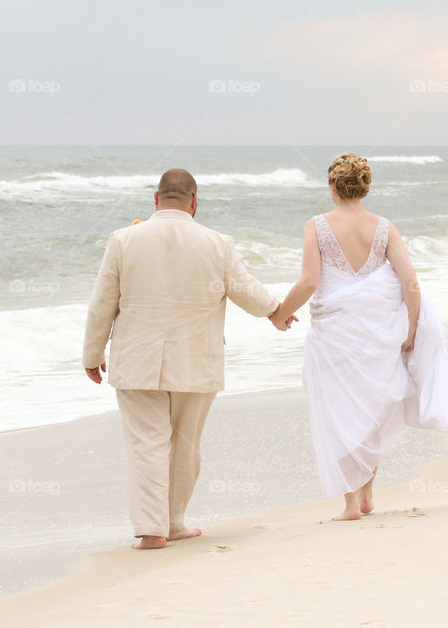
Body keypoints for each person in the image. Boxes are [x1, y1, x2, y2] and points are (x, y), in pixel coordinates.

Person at [82, 168, 292, 549]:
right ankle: (175, 522)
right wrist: (277, 311)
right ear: (194, 202)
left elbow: (102, 303)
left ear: (156, 198)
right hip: (197, 362)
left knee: (147, 444)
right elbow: (247, 290)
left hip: (137, 362)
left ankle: (151, 530)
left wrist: (92, 354)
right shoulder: (217, 243)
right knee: (185, 444)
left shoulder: (123, 240)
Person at [270, 153, 448, 521]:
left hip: (336, 333)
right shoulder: (384, 227)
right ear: (364, 187)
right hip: (379, 331)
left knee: (339, 410)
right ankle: (367, 496)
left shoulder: (316, 225)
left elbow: (310, 281)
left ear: (333, 187)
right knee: (373, 408)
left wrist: (280, 313)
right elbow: (410, 280)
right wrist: (410, 327)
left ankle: (350, 505)